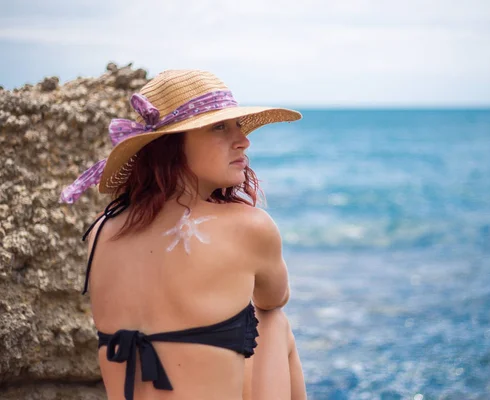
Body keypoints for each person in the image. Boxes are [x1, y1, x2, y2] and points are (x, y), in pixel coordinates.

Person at [59, 69, 307, 400]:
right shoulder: (249, 227)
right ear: (172, 145)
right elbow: (274, 298)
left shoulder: (101, 228)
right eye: (219, 127)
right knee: (274, 323)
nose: (243, 140)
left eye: (238, 126)